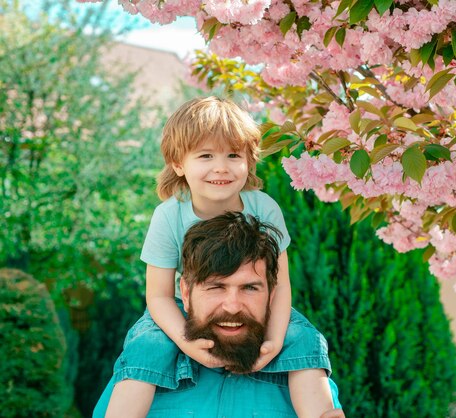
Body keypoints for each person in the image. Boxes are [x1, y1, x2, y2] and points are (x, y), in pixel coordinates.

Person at [105, 97, 334, 417]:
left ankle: (321, 413)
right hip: (181, 308)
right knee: (148, 347)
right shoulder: (168, 216)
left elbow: (280, 286)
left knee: (305, 338)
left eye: (233, 155)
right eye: (206, 155)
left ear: (249, 161)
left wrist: (275, 339)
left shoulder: (264, 208)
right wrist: (185, 343)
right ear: (178, 163)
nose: (221, 167)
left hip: (255, 306)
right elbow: (157, 295)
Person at [94, 213, 344, 417]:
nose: (233, 306)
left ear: (271, 295)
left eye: (249, 288)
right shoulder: (143, 369)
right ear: (186, 293)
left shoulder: (304, 374)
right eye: (216, 287)